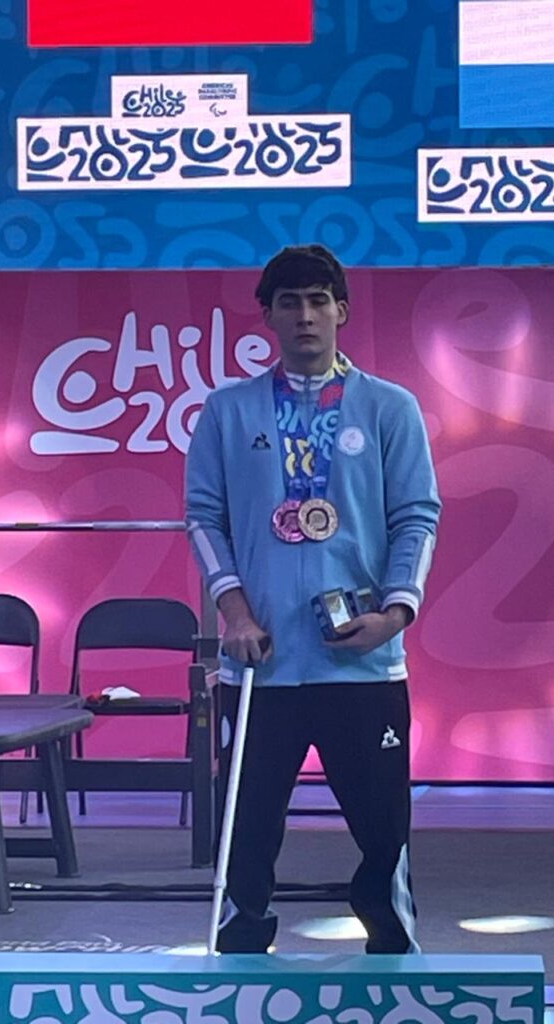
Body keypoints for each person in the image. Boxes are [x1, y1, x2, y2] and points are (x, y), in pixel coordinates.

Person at [185, 244, 441, 953]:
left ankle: (392, 947)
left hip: (362, 662)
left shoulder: (389, 407)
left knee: (383, 827)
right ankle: (241, 946)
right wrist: (235, 613)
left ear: (342, 312)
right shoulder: (228, 411)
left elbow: (417, 516)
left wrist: (394, 614)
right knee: (248, 824)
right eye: (290, 302)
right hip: (262, 663)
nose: (305, 315)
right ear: (267, 317)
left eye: (319, 301)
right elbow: (204, 517)